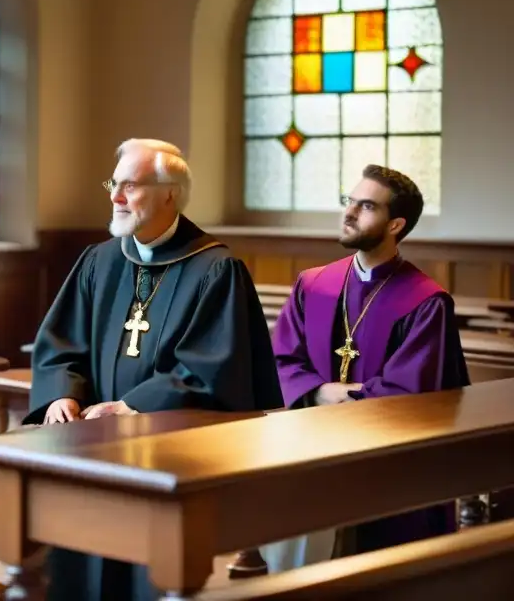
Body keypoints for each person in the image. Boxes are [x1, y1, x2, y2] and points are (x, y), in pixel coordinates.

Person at [24, 139, 283, 601]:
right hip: (87, 445)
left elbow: (214, 368)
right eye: (113, 183)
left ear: (169, 194)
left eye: (130, 185)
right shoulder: (99, 261)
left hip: (163, 454)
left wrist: (133, 406)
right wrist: (62, 392)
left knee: (144, 572)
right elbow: (60, 343)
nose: (115, 197)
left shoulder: (216, 270)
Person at [271, 164, 469, 559]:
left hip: (386, 466)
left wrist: (342, 401)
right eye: (349, 201)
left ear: (395, 224)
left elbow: (411, 391)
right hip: (310, 451)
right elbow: (280, 357)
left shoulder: (425, 301)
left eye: (366, 206)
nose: (349, 212)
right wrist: (320, 391)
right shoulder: (313, 284)